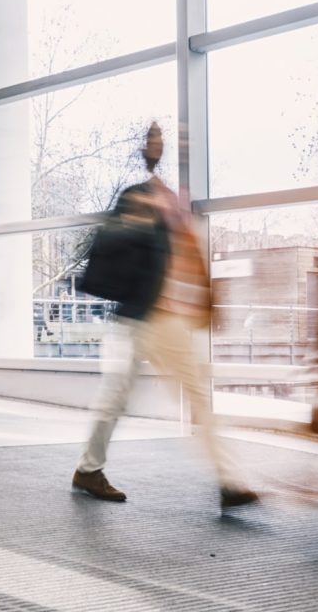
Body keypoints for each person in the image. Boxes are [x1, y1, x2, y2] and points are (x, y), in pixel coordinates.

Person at [71, 122, 258, 509]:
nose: (159, 146)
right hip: (143, 315)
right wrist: (139, 221)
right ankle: (90, 470)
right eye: (153, 140)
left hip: (167, 319)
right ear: (145, 149)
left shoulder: (174, 202)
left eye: (164, 141)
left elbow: (187, 263)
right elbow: (108, 243)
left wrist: (206, 304)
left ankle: (227, 480)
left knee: (186, 395)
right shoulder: (138, 197)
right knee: (119, 394)